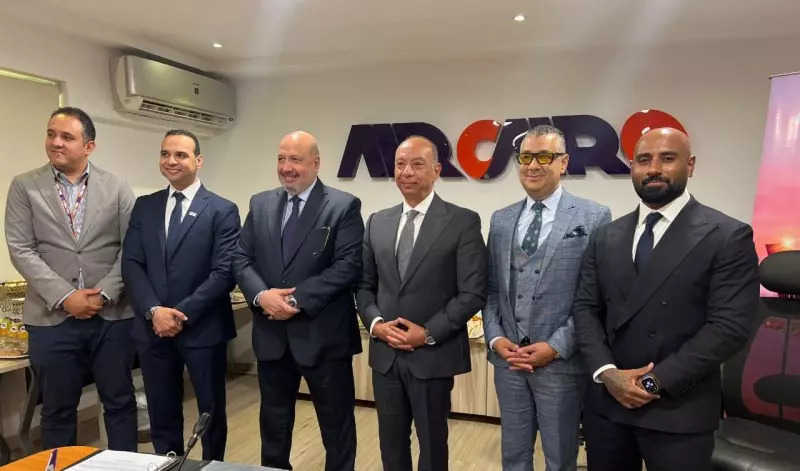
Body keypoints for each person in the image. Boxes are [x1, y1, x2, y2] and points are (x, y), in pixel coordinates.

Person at [573, 127, 760, 471]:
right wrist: (607, 373)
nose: (654, 168)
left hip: (679, 408)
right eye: (644, 160)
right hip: (608, 404)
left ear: (690, 165)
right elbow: (585, 309)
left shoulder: (727, 236)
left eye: (667, 158)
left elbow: (728, 327)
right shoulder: (605, 236)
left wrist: (652, 382)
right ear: (632, 167)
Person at [4, 106, 137, 451]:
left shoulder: (117, 187)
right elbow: (21, 248)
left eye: (66, 136)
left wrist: (104, 293)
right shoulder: (24, 186)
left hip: (111, 316)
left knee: (120, 403)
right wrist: (67, 297)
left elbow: (132, 247)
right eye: (51, 134)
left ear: (89, 146)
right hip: (51, 319)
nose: (56, 142)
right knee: (57, 411)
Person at [482, 125, 611, 471]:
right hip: (509, 362)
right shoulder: (501, 220)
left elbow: (596, 297)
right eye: (526, 157)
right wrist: (496, 339)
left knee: (560, 457)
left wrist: (555, 347)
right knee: (513, 455)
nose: (533, 165)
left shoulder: (593, 217)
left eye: (544, 156)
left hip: (561, 365)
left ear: (563, 162)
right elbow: (491, 290)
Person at [232, 131, 363, 471]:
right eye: (281, 158)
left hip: (323, 337)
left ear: (316, 163)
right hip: (272, 337)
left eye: (295, 159)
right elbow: (241, 258)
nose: (286, 167)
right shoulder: (260, 203)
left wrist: (294, 300)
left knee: (336, 426)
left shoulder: (343, 206)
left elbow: (348, 265)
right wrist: (262, 296)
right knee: (273, 426)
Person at [356, 136, 488, 471]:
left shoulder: (462, 221)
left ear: (436, 171)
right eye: (400, 164)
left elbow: (473, 292)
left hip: (432, 355)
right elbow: (364, 286)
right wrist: (376, 325)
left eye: (417, 164)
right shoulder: (377, 222)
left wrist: (427, 332)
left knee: (432, 444)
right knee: (391, 444)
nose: (407, 172)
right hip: (386, 356)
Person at [121, 129, 240, 460]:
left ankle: (211, 465)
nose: (171, 160)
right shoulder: (145, 207)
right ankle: (168, 465)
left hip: (203, 329)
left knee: (210, 413)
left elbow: (224, 272)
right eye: (165, 154)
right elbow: (131, 263)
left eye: (181, 155)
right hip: (153, 329)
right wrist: (155, 311)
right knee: (162, 411)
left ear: (198, 160)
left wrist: (180, 314)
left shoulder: (222, 209)